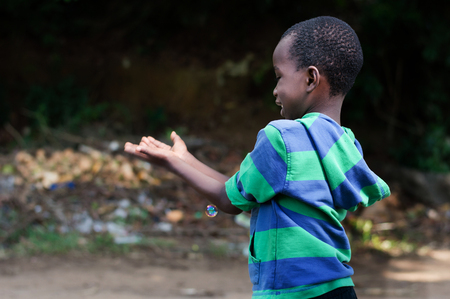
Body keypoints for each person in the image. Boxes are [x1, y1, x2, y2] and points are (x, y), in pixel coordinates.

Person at [124, 16, 390, 299]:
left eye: (279, 77)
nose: (275, 90)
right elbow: (242, 191)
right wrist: (186, 157)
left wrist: (173, 164)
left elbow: (230, 201)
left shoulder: (282, 138)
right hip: (337, 289)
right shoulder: (346, 145)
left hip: (291, 293)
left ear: (310, 78)